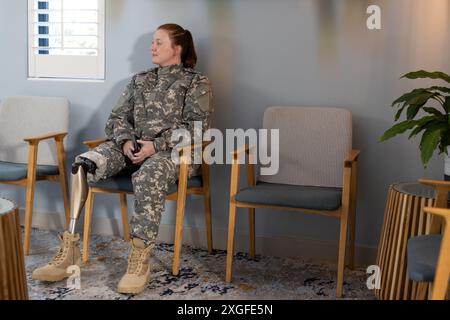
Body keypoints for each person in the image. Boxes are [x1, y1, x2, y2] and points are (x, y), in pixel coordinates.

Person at [32, 23, 213, 295]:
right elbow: (116, 119)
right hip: (130, 149)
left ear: (178, 48)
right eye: (152, 42)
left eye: (159, 42)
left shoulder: (196, 82)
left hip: (174, 155)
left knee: (150, 172)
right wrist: (126, 141)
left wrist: (157, 145)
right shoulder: (140, 80)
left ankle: (140, 258)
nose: (152, 47)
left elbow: (197, 129)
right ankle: (69, 248)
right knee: (83, 163)